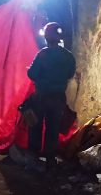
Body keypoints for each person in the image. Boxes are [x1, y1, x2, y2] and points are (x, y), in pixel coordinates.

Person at [25, 22, 76, 170]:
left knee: (36, 126)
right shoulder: (68, 56)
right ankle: (50, 159)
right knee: (53, 128)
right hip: (58, 98)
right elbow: (70, 74)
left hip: (41, 97)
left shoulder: (43, 54)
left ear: (47, 37)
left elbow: (32, 74)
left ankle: (33, 157)